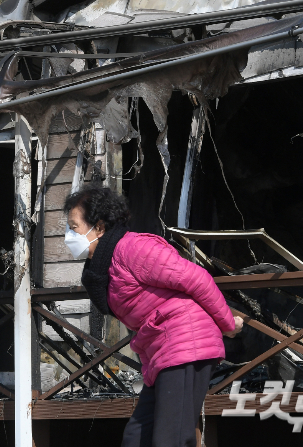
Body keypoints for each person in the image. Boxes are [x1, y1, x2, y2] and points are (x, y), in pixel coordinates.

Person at [63, 185, 243, 447]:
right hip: (162, 353)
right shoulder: (103, 266)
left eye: (74, 227)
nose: (68, 235)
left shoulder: (133, 248)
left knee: (170, 440)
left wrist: (227, 324)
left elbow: (197, 278)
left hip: (185, 343)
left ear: (99, 227)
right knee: (136, 439)